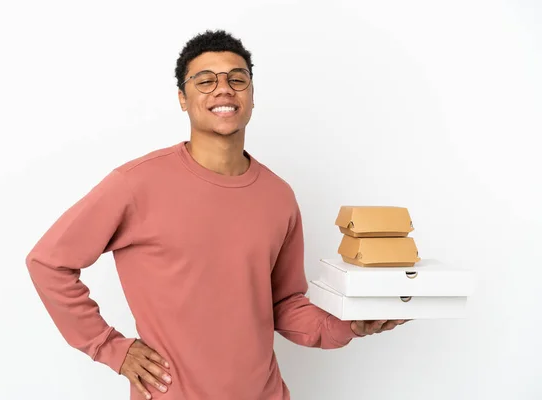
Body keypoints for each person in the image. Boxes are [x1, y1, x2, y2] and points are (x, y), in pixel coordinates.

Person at [25, 29, 407, 400]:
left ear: (252, 96)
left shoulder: (278, 196)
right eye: (205, 80)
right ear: (182, 98)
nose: (224, 88)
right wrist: (109, 347)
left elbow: (285, 304)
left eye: (237, 79)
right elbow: (48, 263)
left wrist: (349, 325)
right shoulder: (135, 184)